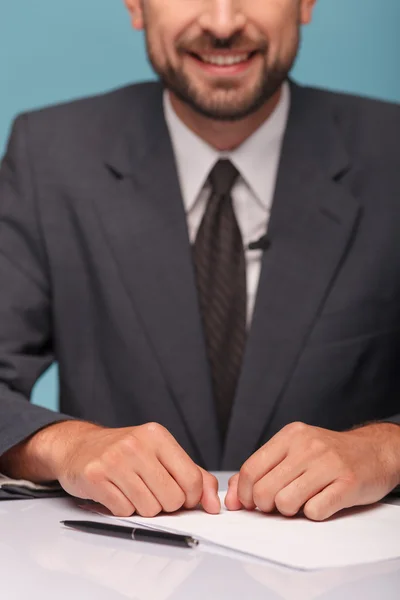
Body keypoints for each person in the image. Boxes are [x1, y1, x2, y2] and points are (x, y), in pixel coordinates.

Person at [0, 0, 399, 522]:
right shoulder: (48, 154)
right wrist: (67, 445)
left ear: (306, 4)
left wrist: (386, 449)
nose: (222, 22)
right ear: (135, 7)